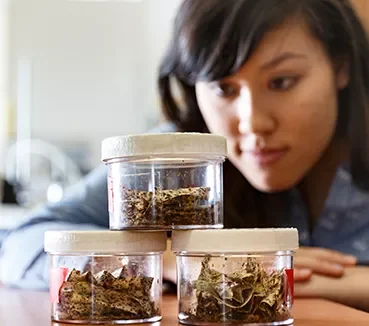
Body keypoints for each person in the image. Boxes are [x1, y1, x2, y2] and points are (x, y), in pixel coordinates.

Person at [1, 0, 369, 311]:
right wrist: (160, 259)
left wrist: (326, 280)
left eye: (282, 82)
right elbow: (19, 244)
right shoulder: (176, 158)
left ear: (341, 67)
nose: (253, 122)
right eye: (224, 88)